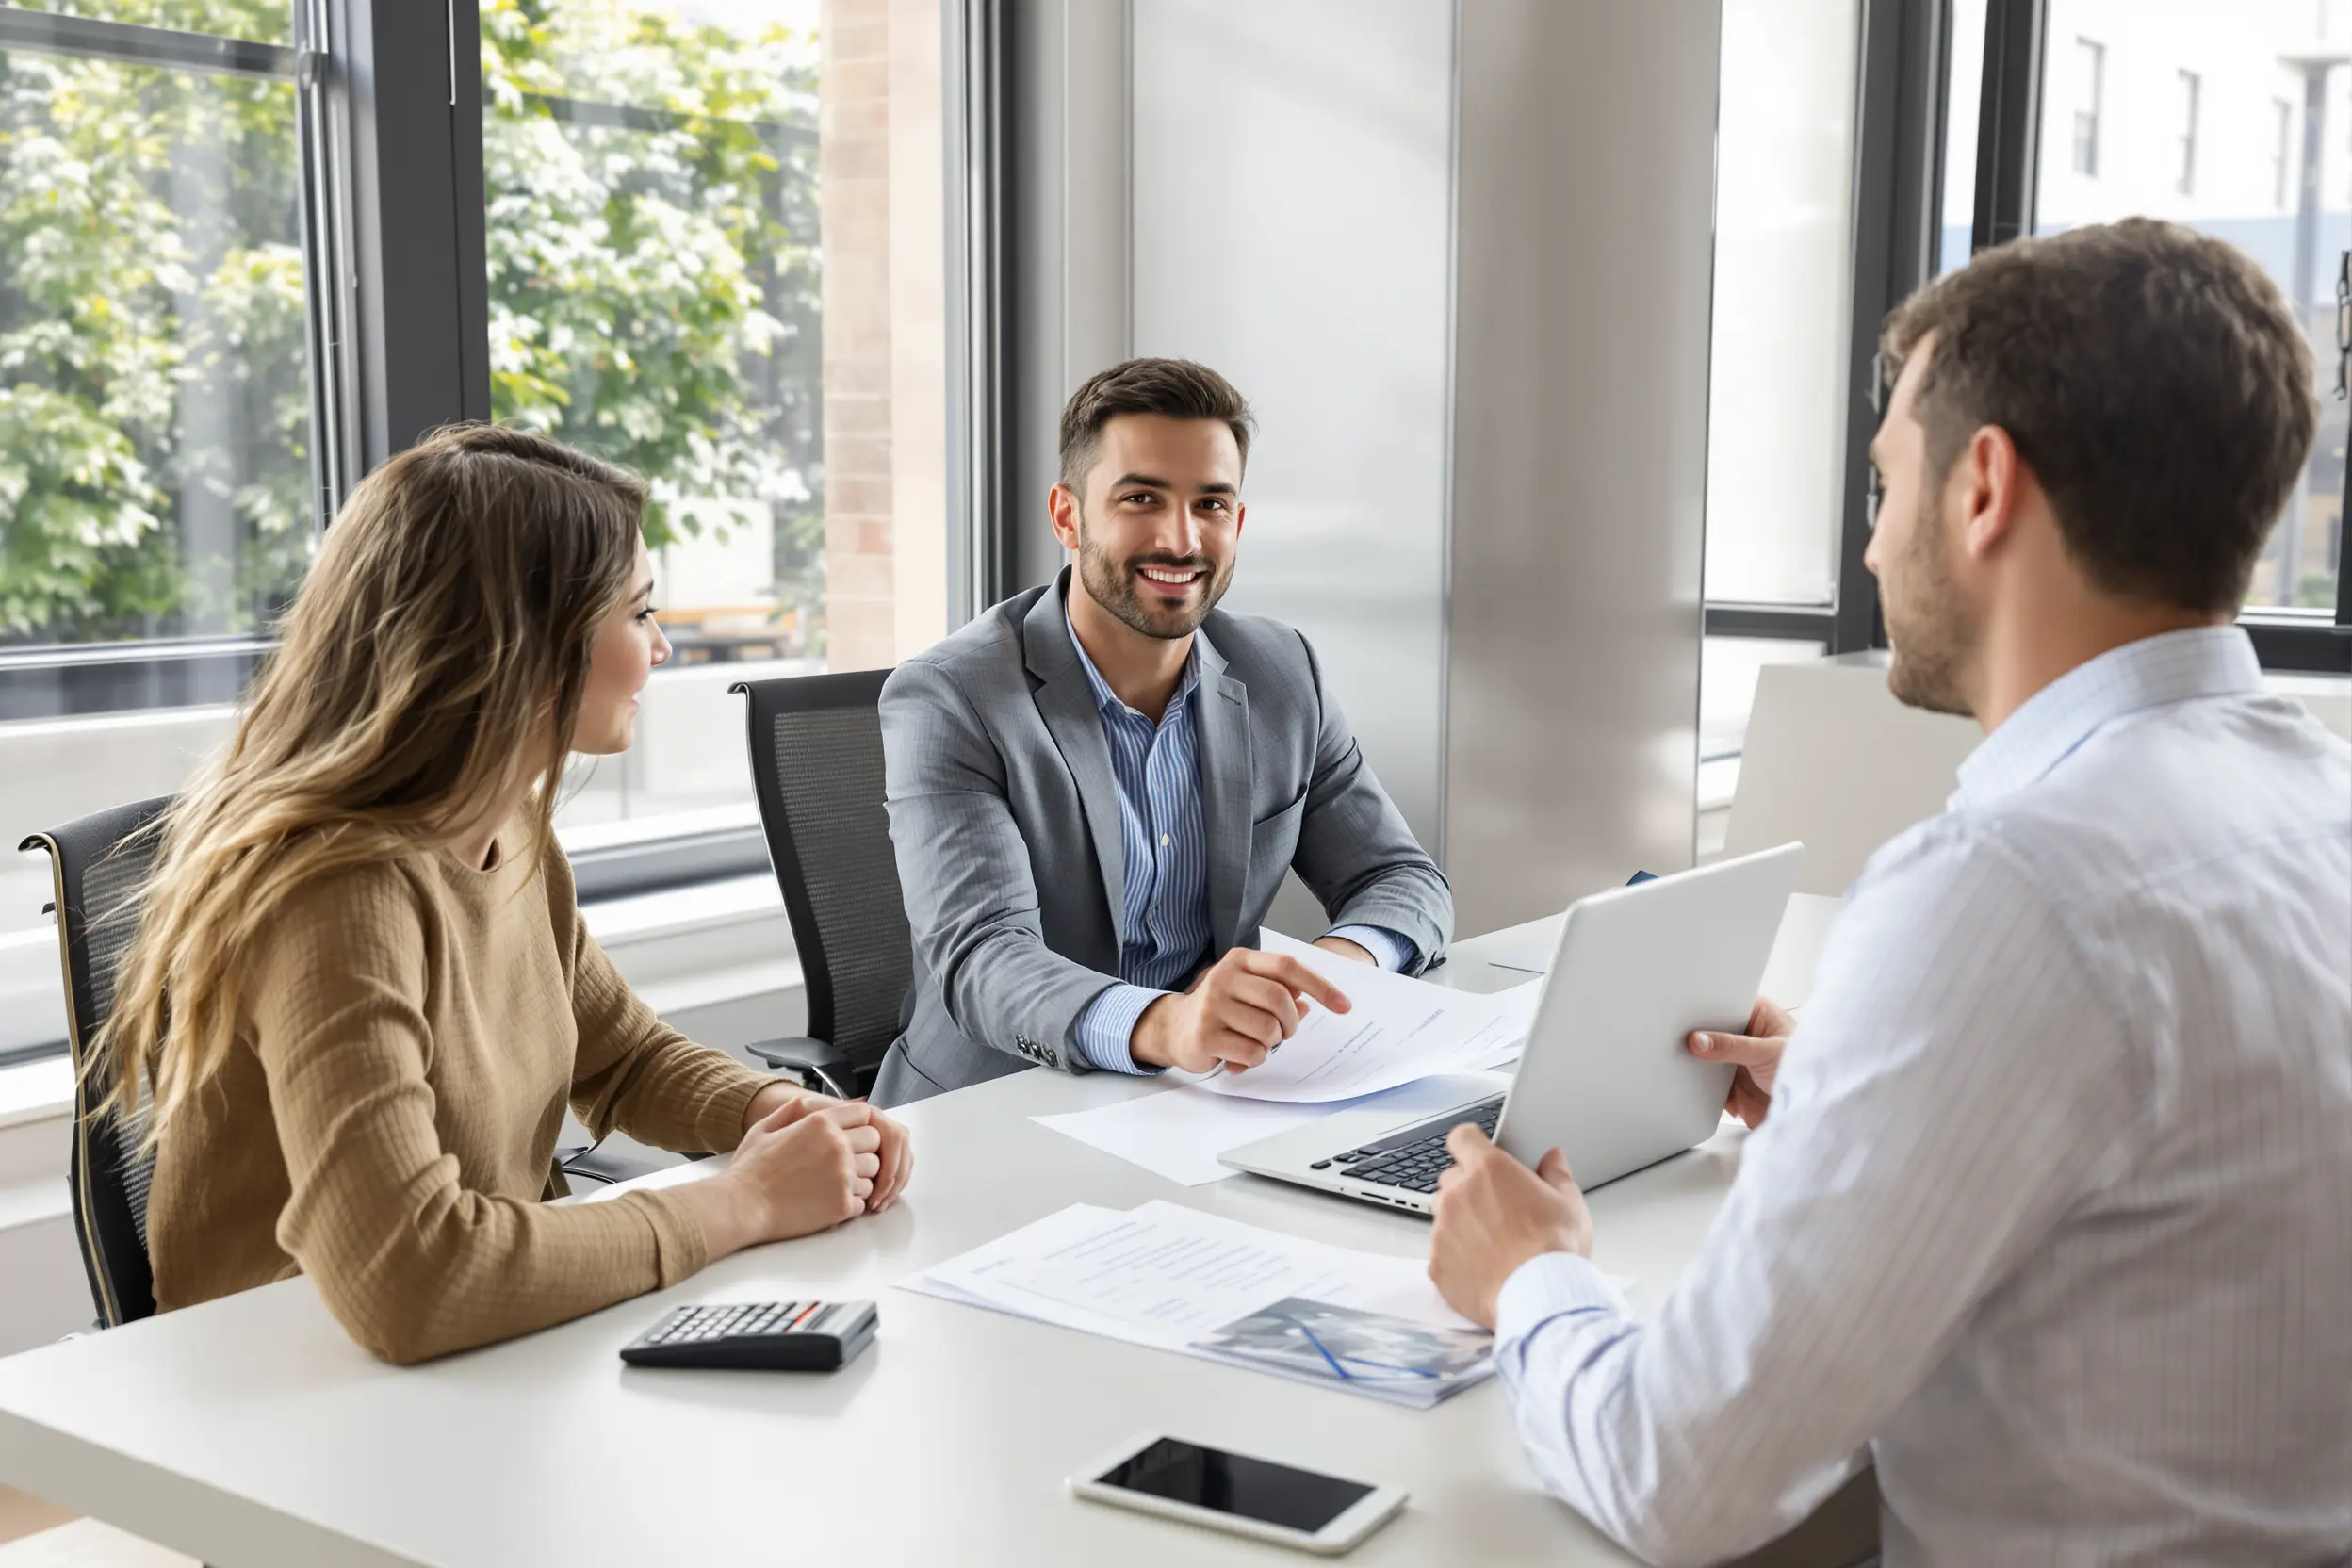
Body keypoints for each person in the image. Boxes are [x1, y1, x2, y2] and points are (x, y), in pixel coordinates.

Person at [1427, 218, 2352, 1562]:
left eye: (1882, 488)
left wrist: (1529, 1276)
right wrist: (1884, 1092)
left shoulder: (2012, 888)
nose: (1869, 551)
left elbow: (1675, 1478)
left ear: (1983, 487)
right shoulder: (2317, 797)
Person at [95, 425, 913, 1365]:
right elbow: (412, 1272)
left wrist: (779, 1115)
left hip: (487, 1355)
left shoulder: (509, 823)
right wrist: (746, 1199)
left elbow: (621, 1057)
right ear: (523, 643)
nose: (659, 649)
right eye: (637, 612)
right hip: (295, 1394)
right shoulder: (335, 893)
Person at [871, 357, 1453, 1105]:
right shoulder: (953, 697)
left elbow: (1403, 880)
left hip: (1209, 1101)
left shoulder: (1282, 672)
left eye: (1211, 504)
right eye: (1141, 498)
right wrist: (1168, 1024)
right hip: (1000, 1107)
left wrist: (1330, 974)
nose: (1180, 541)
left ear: (1237, 523)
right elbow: (984, 956)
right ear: (1067, 516)